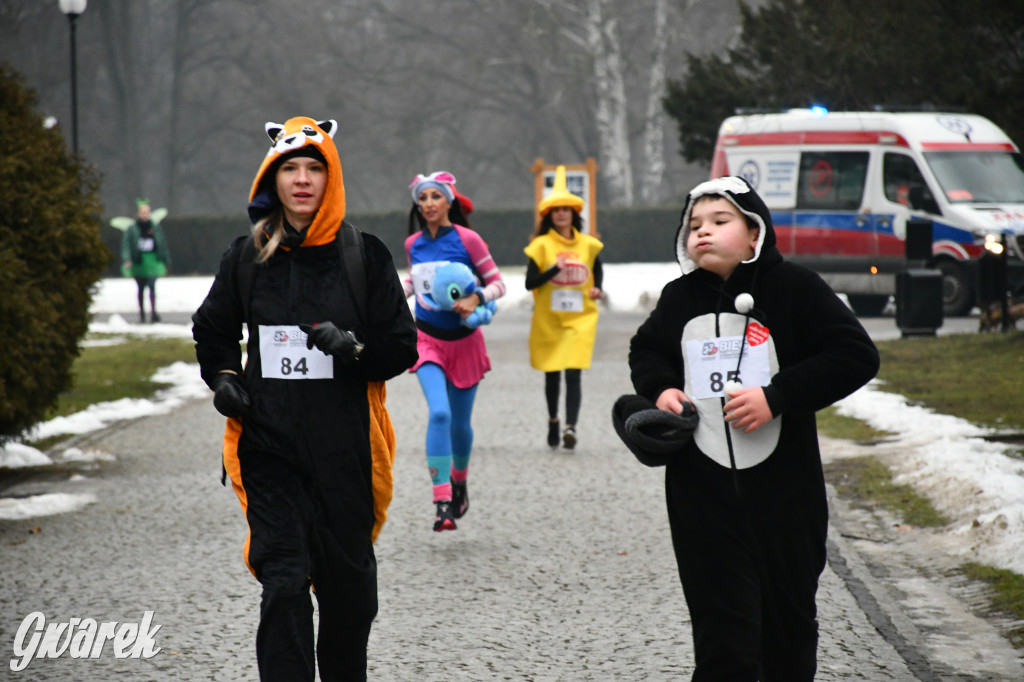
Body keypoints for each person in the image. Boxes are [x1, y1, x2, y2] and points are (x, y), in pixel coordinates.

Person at [191, 116, 417, 681]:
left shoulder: (364, 256)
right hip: (268, 450)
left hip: (346, 453)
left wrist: (353, 348)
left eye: (314, 168)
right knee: (284, 586)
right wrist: (222, 378)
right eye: (289, 168)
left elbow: (400, 347)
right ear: (271, 178)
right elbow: (213, 331)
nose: (301, 179)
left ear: (331, 177)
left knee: (350, 601)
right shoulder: (246, 257)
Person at [626, 176, 879, 680]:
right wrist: (661, 390)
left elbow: (856, 355)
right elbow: (646, 350)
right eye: (694, 225)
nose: (703, 232)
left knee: (786, 636)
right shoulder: (678, 299)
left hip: (786, 496)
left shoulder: (795, 289)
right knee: (725, 642)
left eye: (720, 222)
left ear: (754, 233)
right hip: (702, 498)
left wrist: (777, 396)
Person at [402, 171, 506, 532]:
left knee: (460, 424)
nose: (428, 204)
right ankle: (441, 500)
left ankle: (459, 481)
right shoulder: (413, 243)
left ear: (449, 200)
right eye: (423, 198)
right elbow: (414, 282)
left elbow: (498, 283)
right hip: (426, 339)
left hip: (464, 342)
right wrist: (390, 296)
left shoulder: (469, 239)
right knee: (440, 414)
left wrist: (476, 297)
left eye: (435, 196)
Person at [524, 165, 604, 450]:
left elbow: (597, 268)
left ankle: (571, 426)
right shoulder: (541, 246)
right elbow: (529, 282)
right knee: (552, 373)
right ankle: (554, 419)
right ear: (549, 215)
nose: (561, 214)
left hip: (580, 320)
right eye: (556, 210)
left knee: (573, 372)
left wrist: (598, 288)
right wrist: (552, 271)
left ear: (573, 214)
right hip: (549, 320)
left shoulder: (588, 244)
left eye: (565, 210)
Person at [121, 198, 171, 323]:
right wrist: (127, 259)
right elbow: (126, 245)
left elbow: (161, 244)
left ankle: (153, 312)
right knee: (141, 288)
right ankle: (142, 314)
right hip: (139, 262)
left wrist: (166, 260)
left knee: (152, 286)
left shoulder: (155, 227)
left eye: (147, 212)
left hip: (152, 260)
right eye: (143, 212)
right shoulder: (132, 229)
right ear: (139, 213)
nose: (145, 214)